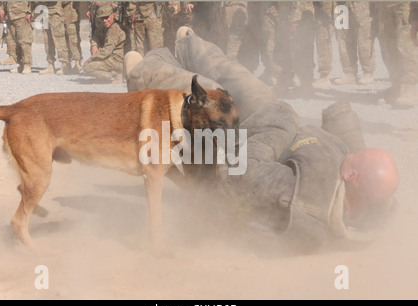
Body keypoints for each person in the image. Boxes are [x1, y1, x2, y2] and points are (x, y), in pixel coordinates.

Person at [127, 26, 400, 246]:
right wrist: (339, 118)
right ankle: (189, 47)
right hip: (267, 129)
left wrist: (279, 125)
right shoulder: (362, 191)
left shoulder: (302, 197)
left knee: (209, 95)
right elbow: (352, 147)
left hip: (232, 156)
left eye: (356, 158)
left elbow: (238, 172)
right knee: (245, 81)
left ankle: (142, 75)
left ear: (351, 176)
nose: (352, 151)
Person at [374, 2, 418, 109]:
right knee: (388, 46)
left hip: (405, 4)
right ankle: (397, 87)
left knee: (406, 45)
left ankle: (410, 88)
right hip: (383, 5)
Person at [334, 1, 376, 85]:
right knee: (343, 37)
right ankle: (349, 73)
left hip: (360, 4)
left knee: (364, 35)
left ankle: (368, 72)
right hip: (340, 4)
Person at [82, 4, 126, 83]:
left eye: (106, 17)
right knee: (91, 65)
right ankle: (108, 75)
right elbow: (95, 36)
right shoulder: (105, 26)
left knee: (88, 67)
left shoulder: (115, 29)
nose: (104, 20)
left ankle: (114, 74)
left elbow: (106, 51)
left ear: (113, 15)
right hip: (110, 58)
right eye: (102, 18)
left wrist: (90, 59)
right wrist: (94, 45)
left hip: (117, 61)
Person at [0, 1, 33, 74]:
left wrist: (30, 12)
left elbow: (33, 2)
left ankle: (27, 65)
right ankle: (21, 65)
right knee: (15, 43)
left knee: (24, 41)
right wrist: (1, 9)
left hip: (22, 16)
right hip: (10, 17)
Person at [37, 1, 70, 75]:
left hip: (55, 14)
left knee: (59, 40)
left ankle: (64, 65)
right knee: (47, 42)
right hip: (44, 14)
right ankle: (50, 66)